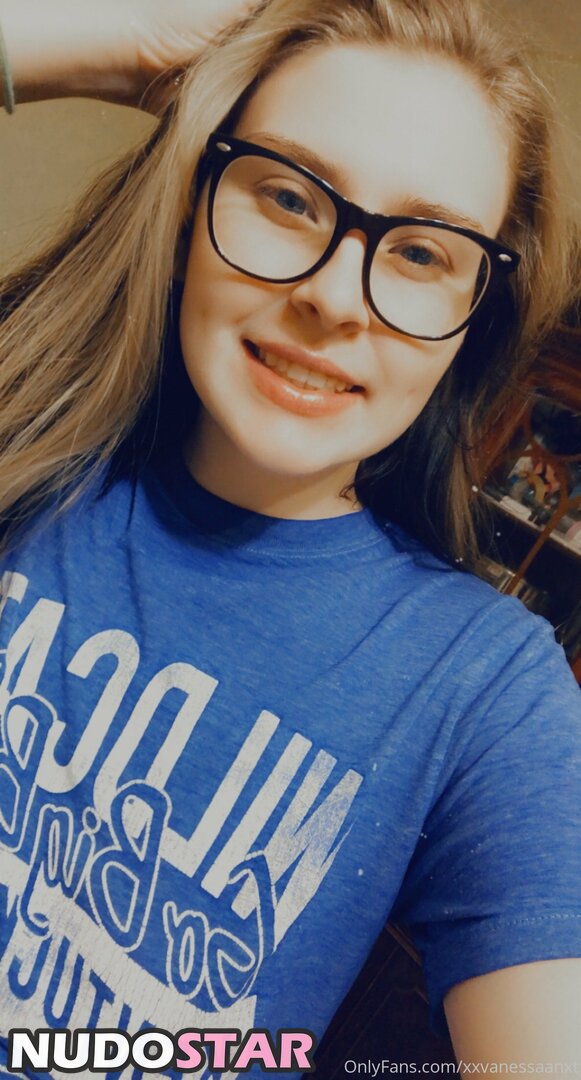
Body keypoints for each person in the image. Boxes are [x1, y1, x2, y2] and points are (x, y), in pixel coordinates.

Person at [0, 0, 579, 1076]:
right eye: (286, 195)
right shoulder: (21, 438)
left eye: (421, 253)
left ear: (469, 327)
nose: (331, 297)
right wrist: (107, 47)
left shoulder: (484, 692)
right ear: (189, 206)